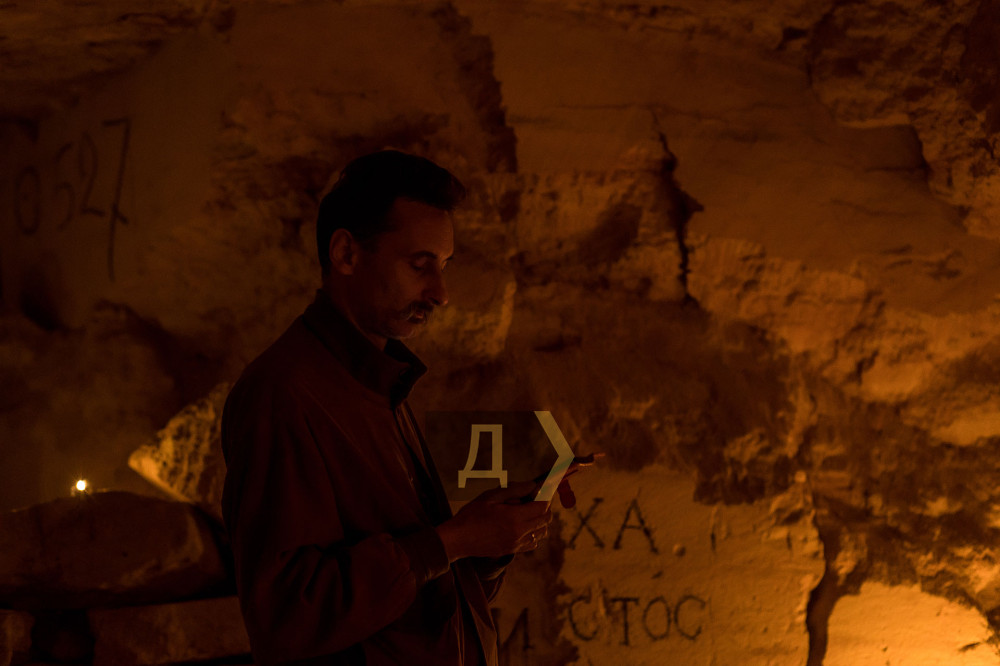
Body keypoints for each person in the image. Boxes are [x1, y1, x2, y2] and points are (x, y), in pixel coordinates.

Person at [220, 150, 556, 665]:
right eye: (420, 266)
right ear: (346, 253)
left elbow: (413, 605)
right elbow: (288, 614)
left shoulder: (379, 382)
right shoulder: (283, 393)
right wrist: (451, 541)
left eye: (444, 267)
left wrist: (488, 541)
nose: (441, 293)